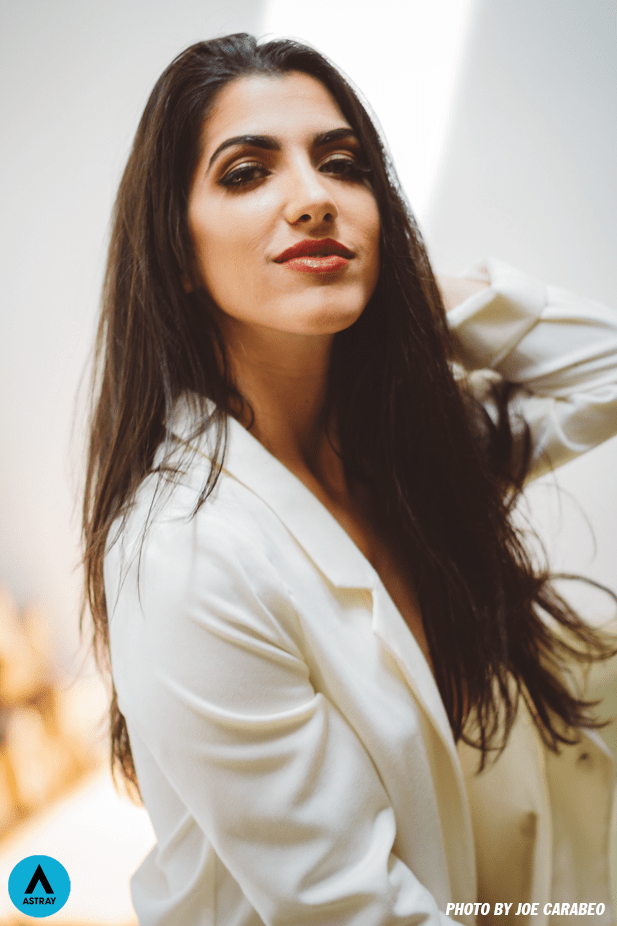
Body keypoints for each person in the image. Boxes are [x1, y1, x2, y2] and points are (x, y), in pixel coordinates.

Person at [82, 33, 617, 926]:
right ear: (176, 253)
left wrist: (413, 296)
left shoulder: (408, 449)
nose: (314, 198)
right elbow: (350, 907)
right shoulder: (183, 554)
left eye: (342, 165)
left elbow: (605, 374)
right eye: (247, 173)